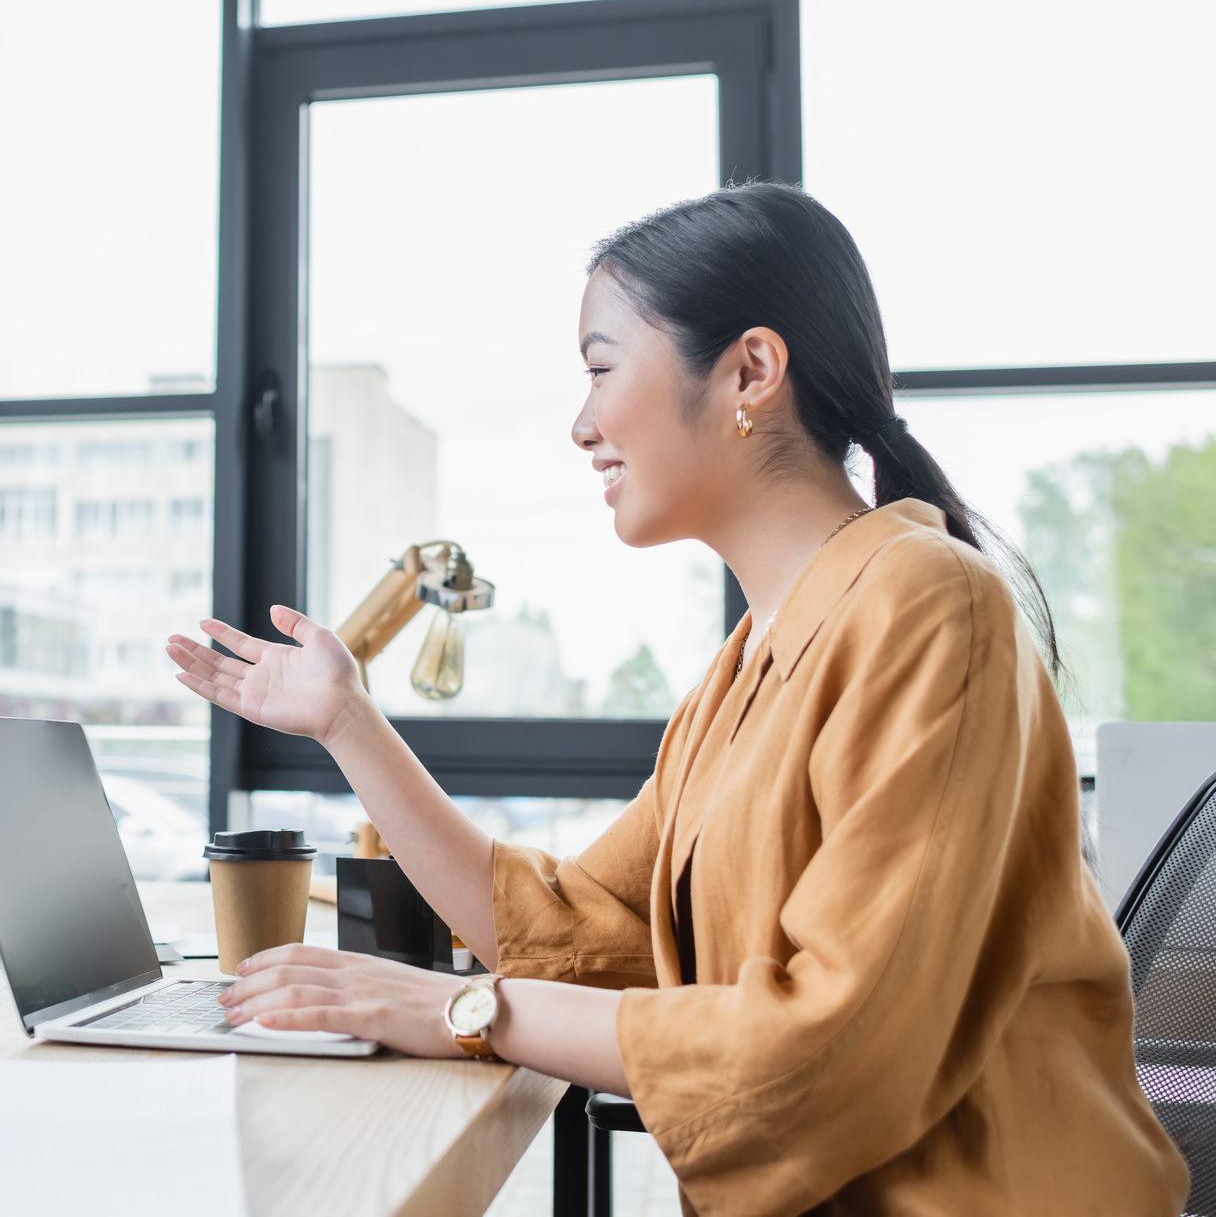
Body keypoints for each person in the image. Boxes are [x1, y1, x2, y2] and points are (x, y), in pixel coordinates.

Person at [168, 185, 1187, 1213]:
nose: (580, 425)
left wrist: (462, 1008)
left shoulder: (926, 606)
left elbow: (827, 1051)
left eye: (600, 369)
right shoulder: (747, 666)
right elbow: (571, 928)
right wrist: (345, 721)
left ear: (750, 371)